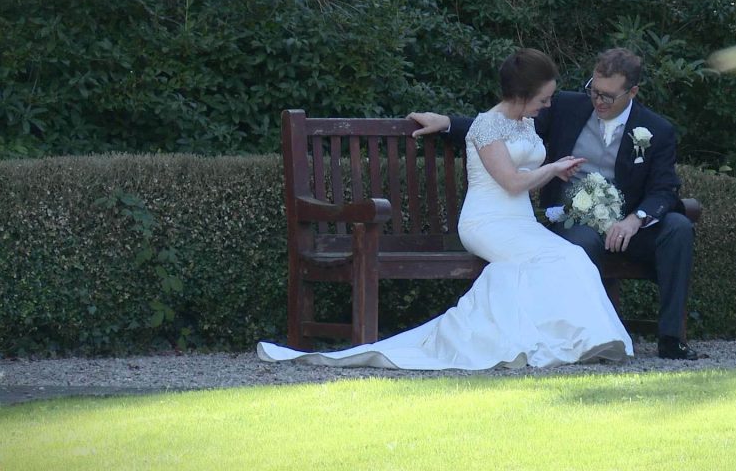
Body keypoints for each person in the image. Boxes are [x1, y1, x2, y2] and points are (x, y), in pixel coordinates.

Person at [257, 48, 633, 369]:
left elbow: (521, 172)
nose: (547, 106)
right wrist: (553, 168)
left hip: (521, 223)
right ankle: (525, 341)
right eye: (543, 99)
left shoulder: (524, 122)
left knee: (569, 257)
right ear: (522, 95)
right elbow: (511, 182)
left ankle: (583, 341)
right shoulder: (486, 127)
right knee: (552, 259)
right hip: (488, 223)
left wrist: (550, 169)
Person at [409, 48, 701, 360]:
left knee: (678, 227)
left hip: (627, 226)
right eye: (594, 91)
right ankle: (587, 337)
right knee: (578, 248)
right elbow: (503, 127)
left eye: (608, 96)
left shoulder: (657, 129)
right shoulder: (566, 107)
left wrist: (635, 219)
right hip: (574, 222)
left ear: (632, 92)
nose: (598, 101)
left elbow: (664, 189)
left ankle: (671, 339)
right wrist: (448, 123)